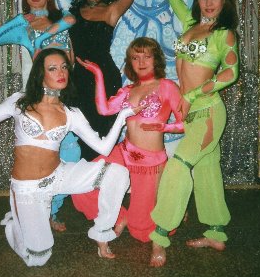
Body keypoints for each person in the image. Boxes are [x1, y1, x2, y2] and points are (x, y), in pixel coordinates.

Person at [0, 48, 139, 266]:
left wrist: (122, 116)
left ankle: (102, 233)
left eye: (64, 67)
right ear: (40, 74)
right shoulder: (20, 102)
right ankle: (15, 225)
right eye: (52, 68)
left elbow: (104, 148)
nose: (61, 72)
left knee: (117, 173)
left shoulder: (71, 113)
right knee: (39, 258)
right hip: (28, 189)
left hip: (59, 176)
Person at [149, 0, 239, 267]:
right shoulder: (189, 25)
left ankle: (160, 236)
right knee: (206, 171)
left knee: (178, 166)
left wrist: (190, 94)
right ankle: (216, 233)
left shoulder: (224, 34)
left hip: (208, 113)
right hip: (191, 114)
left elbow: (230, 73)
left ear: (224, 1)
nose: (208, 2)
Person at [0, 0, 79, 232]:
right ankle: (45, 213)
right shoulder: (23, 28)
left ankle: (52, 207)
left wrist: (45, 35)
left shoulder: (62, 18)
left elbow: (72, 19)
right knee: (43, 154)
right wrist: (17, 20)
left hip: (65, 95)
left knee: (71, 152)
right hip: (40, 98)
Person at [71, 37, 184, 243]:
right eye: (135, 57)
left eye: (146, 57)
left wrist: (164, 127)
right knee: (79, 189)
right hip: (123, 152)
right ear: (130, 62)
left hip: (149, 163)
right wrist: (98, 74)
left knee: (141, 233)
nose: (141, 62)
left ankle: (168, 212)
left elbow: (185, 123)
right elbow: (104, 109)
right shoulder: (128, 90)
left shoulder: (167, 86)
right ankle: (120, 216)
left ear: (156, 59)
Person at [68, 0, 141, 161]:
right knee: (81, 136)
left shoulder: (111, 10)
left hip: (105, 79)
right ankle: (86, 180)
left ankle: (103, 178)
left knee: (103, 134)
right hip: (79, 80)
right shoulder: (71, 15)